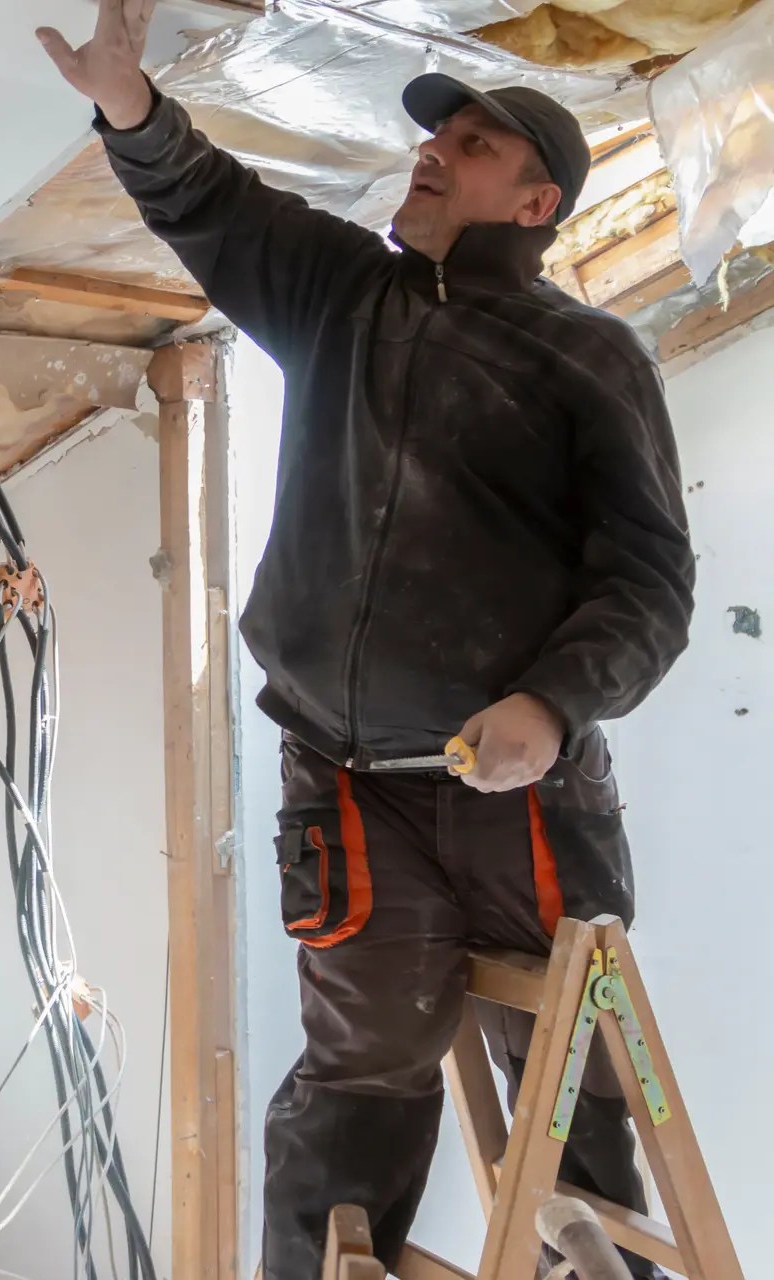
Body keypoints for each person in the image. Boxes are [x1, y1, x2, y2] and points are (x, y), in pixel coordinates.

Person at [37, 3, 695, 1276]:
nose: (434, 148)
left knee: (571, 1086)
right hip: (347, 786)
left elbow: (651, 580)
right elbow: (218, 207)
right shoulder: (342, 294)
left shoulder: (589, 356)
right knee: (359, 1075)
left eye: (475, 141)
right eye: (437, 134)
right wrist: (130, 107)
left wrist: (553, 704)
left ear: (537, 203)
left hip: (524, 794)